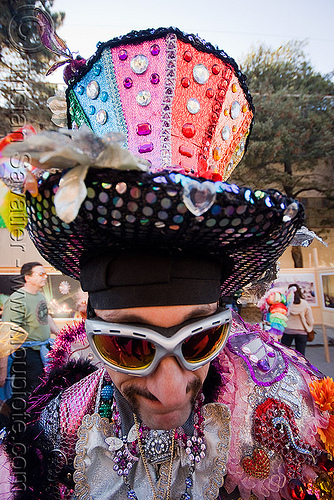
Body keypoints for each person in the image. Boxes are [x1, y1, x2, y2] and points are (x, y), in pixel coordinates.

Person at [1, 26, 333, 500]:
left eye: (200, 338)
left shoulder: (291, 416)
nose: (172, 388)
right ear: (91, 332)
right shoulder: (47, 436)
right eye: (128, 346)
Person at [1, 262, 59, 401]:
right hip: (27, 356)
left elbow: (46, 316)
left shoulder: (40, 295)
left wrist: (60, 334)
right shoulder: (17, 300)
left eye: (45, 273)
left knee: (44, 391)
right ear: (28, 278)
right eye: (41, 274)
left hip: (42, 352)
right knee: (31, 395)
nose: (45, 276)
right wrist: (2, 369)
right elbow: (6, 334)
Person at [281, 283, 315, 355]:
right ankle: (300, 366)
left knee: (284, 353)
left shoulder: (286, 303)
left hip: (287, 330)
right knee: (301, 355)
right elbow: (310, 320)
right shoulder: (305, 303)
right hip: (302, 332)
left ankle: (286, 366)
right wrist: (309, 327)